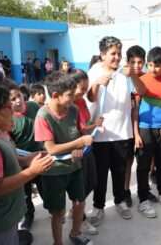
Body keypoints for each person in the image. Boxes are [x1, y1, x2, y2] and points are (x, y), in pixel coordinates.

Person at [0, 84, 54, 244]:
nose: (13, 110)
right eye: (8, 107)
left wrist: (26, 160)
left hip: (6, 213)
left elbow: (5, 157)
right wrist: (32, 171)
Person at [86, 36, 145, 226]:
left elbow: (142, 91)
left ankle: (120, 201)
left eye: (119, 53)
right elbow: (90, 98)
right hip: (101, 134)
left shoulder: (124, 73)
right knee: (100, 175)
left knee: (119, 172)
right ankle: (98, 207)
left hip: (122, 133)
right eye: (113, 53)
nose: (117, 57)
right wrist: (96, 84)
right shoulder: (94, 72)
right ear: (103, 55)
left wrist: (133, 75)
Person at [34, 72, 93, 245]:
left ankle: (75, 233)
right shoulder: (43, 116)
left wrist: (80, 146)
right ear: (55, 95)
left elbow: (81, 135)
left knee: (79, 203)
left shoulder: (73, 110)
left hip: (74, 167)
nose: (73, 98)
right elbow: (51, 149)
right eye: (69, 95)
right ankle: (57, 242)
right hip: (54, 172)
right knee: (58, 213)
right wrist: (78, 142)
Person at [135, 46, 161, 218]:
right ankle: (143, 199)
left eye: (157, 66)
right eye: (150, 65)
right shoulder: (141, 80)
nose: (153, 69)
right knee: (143, 165)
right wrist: (136, 133)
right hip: (145, 128)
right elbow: (135, 108)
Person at [71, 68, 103, 235]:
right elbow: (82, 129)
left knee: (91, 182)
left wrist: (93, 125)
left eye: (86, 89)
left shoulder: (82, 101)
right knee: (80, 189)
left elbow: (85, 124)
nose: (83, 93)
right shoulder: (69, 105)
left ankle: (75, 212)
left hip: (87, 149)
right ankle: (80, 220)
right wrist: (95, 125)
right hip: (77, 151)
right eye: (81, 89)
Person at [8, 84, 44, 231]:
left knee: (47, 188)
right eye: (12, 99)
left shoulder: (34, 107)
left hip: (40, 156)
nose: (17, 101)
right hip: (21, 163)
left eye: (19, 96)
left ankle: (55, 211)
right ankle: (28, 216)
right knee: (25, 194)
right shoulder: (8, 119)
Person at [125, 45, 147, 207]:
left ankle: (143, 190)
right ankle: (125, 190)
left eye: (140, 62)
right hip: (127, 126)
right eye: (133, 62)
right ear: (127, 62)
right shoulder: (122, 79)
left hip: (143, 125)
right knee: (128, 160)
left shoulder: (146, 78)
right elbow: (133, 108)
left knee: (143, 161)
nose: (136, 66)